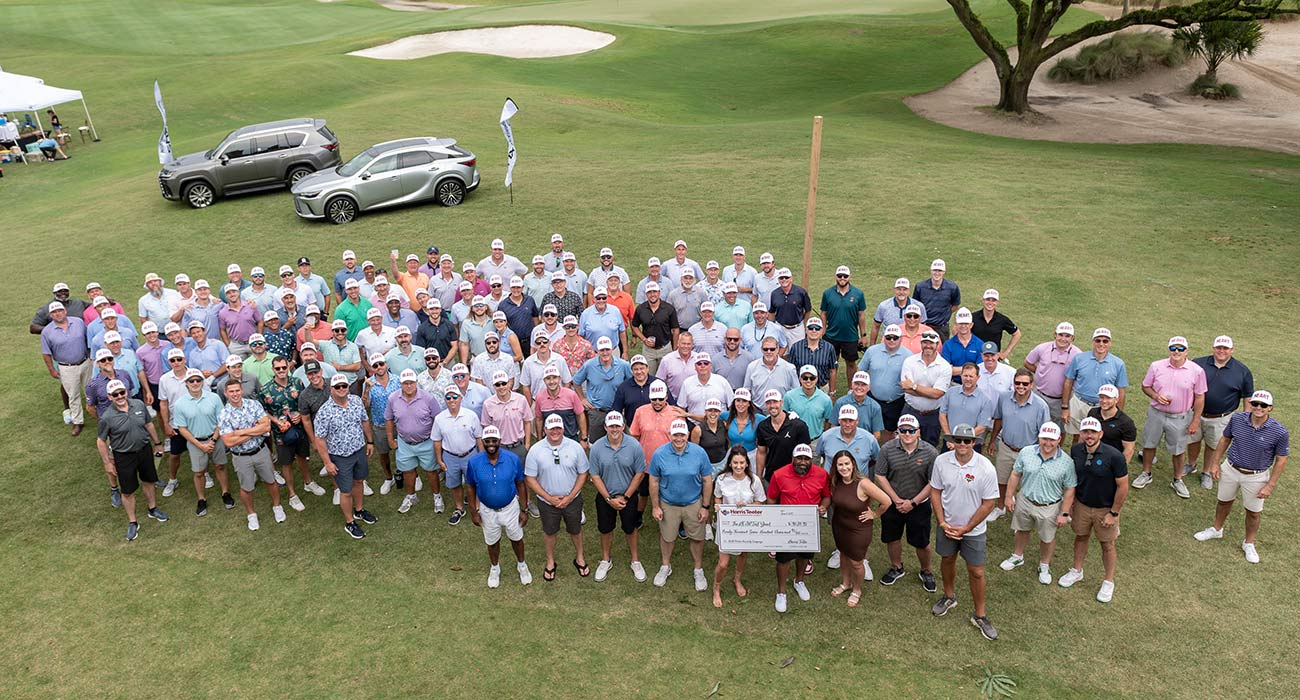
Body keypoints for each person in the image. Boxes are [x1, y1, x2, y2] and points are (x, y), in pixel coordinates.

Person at [1193, 391, 1289, 564]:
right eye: (1255, 404)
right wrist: (1215, 463)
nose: (1259, 408)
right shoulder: (1237, 419)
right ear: (1251, 404)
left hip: (1256, 476)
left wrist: (1270, 485)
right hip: (1231, 469)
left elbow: (1281, 460)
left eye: (1263, 405)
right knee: (1223, 501)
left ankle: (1249, 543)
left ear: (1270, 408)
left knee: (1253, 512)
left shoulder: (1279, 432)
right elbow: (1224, 440)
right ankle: (1216, 529)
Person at [929, 424, 999, 640]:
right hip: (947, 526)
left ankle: (980, 615)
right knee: (947, 560)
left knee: (976, 571)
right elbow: (935, 491)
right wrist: (942, 522)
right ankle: (949, 596)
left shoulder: (986, 467)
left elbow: (989, 503)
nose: (962, 444)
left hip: (974, 530)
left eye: (966, 441)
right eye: (958, 440)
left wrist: (967, 528)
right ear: (952, 441)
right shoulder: (941, 461)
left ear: (974, 443)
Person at [1059, 417, 1128, 603]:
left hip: (1105, 509)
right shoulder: (1075, 451)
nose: (1089, 436)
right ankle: (1077, 570)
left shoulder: (1114, 456)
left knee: (1107, 544)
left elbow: (1123, 486)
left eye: (1093, 432)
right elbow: (1073, 480)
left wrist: (1113, 513)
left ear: (1101, 434)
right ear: (1081, 433)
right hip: (1082, 504)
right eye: (1086, 432)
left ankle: (1108, 581)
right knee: (1081, 537)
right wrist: (1071, 505)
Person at [998, 422, 1077, 585]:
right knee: (1021, 529)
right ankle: (1017, 556)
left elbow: (1070, 489)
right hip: (1025, 500)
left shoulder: (1067, 462)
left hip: (1050, 507)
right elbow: (1015, 474)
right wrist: (1008, 496)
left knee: (1047, 538)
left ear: (1059, 439)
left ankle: (1044, 565)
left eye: (1052, 440)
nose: (1048, 443)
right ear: (1039, 438)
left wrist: (1064, 513)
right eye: (1044, 439)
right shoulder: (1026, 452)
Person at [1134, 336, 1207, 498]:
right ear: (1168, 350)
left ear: (1186, 351)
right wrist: (1155, 396)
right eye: (1173, 348)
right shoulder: (1156, 366)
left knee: (1178, 450)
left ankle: (1177, 479)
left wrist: (1195, 420)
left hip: (1180, 417)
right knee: (1148, 444)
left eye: (1180, 348)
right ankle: (1146, 473)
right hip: (1156, 413)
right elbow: (1145, 386)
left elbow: (1200, 397)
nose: (1176, 351)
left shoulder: (1197, 371)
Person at [96, 379, 168, 540]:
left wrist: (157, 443)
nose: (120, 396)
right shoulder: (107, 417)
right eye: (115, 394)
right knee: (127, 491)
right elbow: (101, 441)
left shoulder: (139, 405)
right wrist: (107, 462)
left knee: (149, 481)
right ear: (109, 397)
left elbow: (149, 425)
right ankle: (133, 521)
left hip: (144, 450)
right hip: (123, 456)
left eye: (122, 392)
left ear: (126, 392)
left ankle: (152, 509)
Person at [874, 414, 938, 591]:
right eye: (903, 430)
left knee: (922, 542)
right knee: (892, 537)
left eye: (911, 430)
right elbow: (880, 474)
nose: (907, 433)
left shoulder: (931, 452)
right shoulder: (887, 449)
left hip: (919, 504)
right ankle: (896, 567)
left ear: (918, 432)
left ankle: (926, 571)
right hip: (893, 503)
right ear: (898, 431)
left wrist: (913, 502)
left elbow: (933, 482)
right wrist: (895, 499)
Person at [465, 425, 533, 588]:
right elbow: (470, 486)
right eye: (487, 441)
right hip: (487, 510)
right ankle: (495, 568)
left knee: (516, 538)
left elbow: (521, 484)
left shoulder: (512, 459)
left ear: (499, 441)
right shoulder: (474, 462)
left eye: (494, 441)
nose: (490, 444)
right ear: (482, 441)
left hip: (510, 508)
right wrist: (474, 512)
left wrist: (524, 510)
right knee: (492, 541)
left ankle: (522, 564)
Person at [766, 443, 831, 613]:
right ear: (792, 459)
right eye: (799, 458)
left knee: (805, 555)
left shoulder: (822, 474)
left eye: (806, 459)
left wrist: (823, 507)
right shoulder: (779, 474)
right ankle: (781, 592)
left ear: (811, 460)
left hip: (809, 524)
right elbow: (771, 498)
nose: (803, 462)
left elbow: (826, 496)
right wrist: (775, 518)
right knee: (784, 559)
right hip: (786, 524)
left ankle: (799, 581)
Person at [525, 414, 590, 581]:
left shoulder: (575, 447)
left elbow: (583, 473)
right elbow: (530, 478)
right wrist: (550, 498)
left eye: (558, 428)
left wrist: (570, 497)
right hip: (547, 502)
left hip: (573, 500)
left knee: (575, 530)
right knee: (550, 532)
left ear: (563, 429)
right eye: (551, 428)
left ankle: (580, 557)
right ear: (545, 429)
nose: (555, 431)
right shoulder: (536, 450)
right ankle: (550, 561)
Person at [312, 374, 378, 538]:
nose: (341, 389)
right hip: (340, 456)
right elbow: (319, 439)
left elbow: (364, 421)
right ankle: (350, 522)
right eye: (337, 387)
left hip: (359, 450)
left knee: (359, 481)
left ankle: (359, 510)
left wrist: (370, 442)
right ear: (331, 389)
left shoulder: (356, 401)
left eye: (344, 386)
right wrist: (327, 463)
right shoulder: (324, 412)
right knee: (346, 490)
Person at [217, 379, 286, 531]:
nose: (235, 394)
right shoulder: (223, 414)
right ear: (226, 393)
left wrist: (240, 432)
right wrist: (255, 430)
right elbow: (228, 442)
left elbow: (266, 426)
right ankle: (251, 514)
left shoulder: (254, 405)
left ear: (241, 390)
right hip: (241, 456)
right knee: (246, 487)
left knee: (270, 481)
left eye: (237, 390)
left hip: (261, 451)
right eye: (231, 391)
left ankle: (277, 506)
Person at [588, 412, 648, 582]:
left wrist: (626, 497)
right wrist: (609, 499)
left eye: (617, 426)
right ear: (605, 427)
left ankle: (635, 560)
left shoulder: (634, 446)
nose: (614, 429)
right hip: (606, 497)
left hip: (628, 497)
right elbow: (595, 475)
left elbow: (639, 473)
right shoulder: (597, 447)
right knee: (605, 529)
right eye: (611, 426)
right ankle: (606, 559)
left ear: (623, 426)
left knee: (631, 528)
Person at [1188, 335, 1254, 491]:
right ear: (1213, 348)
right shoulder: (1198, 363)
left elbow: (1247, 397)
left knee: (1213, 445)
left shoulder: (1242, 371)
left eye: (1225, 348)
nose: (1221, 351)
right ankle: (1191, 464)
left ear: (1232, 350)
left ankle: (1206, 472)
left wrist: (1247, 420)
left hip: (1221, 417)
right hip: (1196, 412)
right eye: (1218, 347)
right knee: (1193, 439)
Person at [829, 450, 891, 607]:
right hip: (839, 526)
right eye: (840, 464)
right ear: (835, 467)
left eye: (847, 464)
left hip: (858, 531)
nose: (844, 468)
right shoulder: (836, 481)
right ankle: (846, 583)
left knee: (857, 562)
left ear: (853, 464)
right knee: (843, 555)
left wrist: (875, 514)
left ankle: (857, 589)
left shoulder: (863, 483)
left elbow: (887, 501)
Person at [987, 369, 1051, 521]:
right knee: (1001, 479)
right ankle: (1001, 507)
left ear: (1031, 385)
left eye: (1025, 383)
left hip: (1029, 451)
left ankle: (1021, 513)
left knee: (1026, 484)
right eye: (1017, 383)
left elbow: (1045, 433)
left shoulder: (1041, 406)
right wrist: (992, 441)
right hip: (1006, 446)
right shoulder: (1004, 398)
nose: (1021, 386)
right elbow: (998, 419)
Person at [172, 367, 235, 517]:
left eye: (198, 380)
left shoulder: (213, 398)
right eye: (191, 381)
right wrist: (200, 445)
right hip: (195, 443)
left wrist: (213, 439)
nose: (195, 383)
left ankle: (225, 492)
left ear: (202, 381)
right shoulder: (180, 404)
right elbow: (182, 428)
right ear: (186, 383)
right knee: (199, 472)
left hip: (215, 439)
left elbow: (221, 420)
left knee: (220, 466)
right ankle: (201, 499)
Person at [710, 446, 764, 607]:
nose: (738, 466)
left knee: (742, 554)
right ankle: (716, 588)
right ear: (730, 463)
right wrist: (717, 506)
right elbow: (717, 498)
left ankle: (737, 579)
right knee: (723, 563)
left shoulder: (754, 480)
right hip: (727, 526)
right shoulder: (722, 479)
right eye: (735, 463)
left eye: (742, 462)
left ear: (747, 463)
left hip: (746, 526)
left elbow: (760, 502)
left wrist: (747, 506)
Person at [1061, 328, 1128, 443]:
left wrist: (1118, 414)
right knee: (1077, 436)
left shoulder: (1118, 364)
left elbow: (1121, 391)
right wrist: (1065, 407)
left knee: (1098, 437)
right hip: (1079, 403)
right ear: (1093, 342)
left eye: (1105, 341)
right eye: (1098, 340)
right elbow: (1068, 382)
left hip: (1102, 406)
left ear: (1110, 343)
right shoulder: (1079, 359)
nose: (1101, 344)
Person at [40, 301, 91, 435]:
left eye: (60, 310)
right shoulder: (47, 332)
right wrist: (51, 369)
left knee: (91, 390)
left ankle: (97, 414)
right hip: (66, 367)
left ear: (65, 311)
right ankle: (78, 422)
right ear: (51, 315)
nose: (58, 313)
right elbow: (46, 353)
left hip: (86, 363)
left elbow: (88, 340)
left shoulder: (78, 322)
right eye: (54, 312)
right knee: (73, 395)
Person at [858, 324, 912, 441]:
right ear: (883, 337)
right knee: (869, 429)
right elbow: (860, 371)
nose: (891, 340)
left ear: (901, 339)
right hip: (872, 399)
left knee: (889, 431)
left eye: (895, 337)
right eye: (888, 337)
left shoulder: (908, 356)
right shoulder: (872, 351)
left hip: (895, 401)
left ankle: (886, 455)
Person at [573, 337, 633, 442]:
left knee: (621, 442)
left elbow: (632, 382)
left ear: (612, 349)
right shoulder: (589, 365)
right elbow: (576, 382)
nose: (605, 353)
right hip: (597, 411)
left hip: (618, 411)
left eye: (607, 349)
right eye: (602, 350)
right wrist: (582, 399)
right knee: (596, 443)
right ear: (597, 351)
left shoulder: (623, 365)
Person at [899, 330, 951, 446]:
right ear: (921, 344)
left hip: (932, 415)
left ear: (937, 345)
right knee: (905, 444)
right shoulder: (909, 361)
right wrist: (930, 392)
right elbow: (905, 388)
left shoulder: (945, 366)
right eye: (925, 342)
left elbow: (937, 394)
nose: (928, 346)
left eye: (931, 343)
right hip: (910, 410)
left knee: (930, 446)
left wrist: (914, 386)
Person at [360, 354, 400, 495]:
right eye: (375, 365)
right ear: (372, 368)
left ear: (386, 364)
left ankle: (414, 475)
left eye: (381, 364)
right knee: (384, 454)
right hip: (380, 425)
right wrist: (367, 390)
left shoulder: (397, 380)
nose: (379, 367)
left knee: (405, 452)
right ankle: (389, 478)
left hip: (399, 423)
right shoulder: (369, 383)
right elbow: (364, 406)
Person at [756, 388, 812, 482]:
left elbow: (806, 454)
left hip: (794, 477)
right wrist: (759, 477)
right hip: (772, 476)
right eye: (769, 403)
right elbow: (761, 452)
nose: (772, 406)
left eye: (775, 402)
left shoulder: (798, 425)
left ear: (781, 403)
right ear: (766, 405)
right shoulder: (763, 426)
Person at [939, 363, 994, 450]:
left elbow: (982, 427)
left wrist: (960, 441)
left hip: (971, 444)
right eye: (965, 375)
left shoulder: (985, 400)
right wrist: (950, 437)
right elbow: (942, 415)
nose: (968, 379)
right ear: (961, 376)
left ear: (978, 377)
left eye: (971, 376)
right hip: (950, 443)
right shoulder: (950, 393)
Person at [630, 280, 678, 375]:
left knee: (666, 376)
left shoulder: (669, 308)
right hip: (648, 351)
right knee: (647, 376)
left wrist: (675, 348)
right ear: (646, 294)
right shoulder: (640, 309)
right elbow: (634, 326)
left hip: (665, 348)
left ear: (659, 293)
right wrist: (643, 339)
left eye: (654, 292)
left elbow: (675, 330)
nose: (652, 295)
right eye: (649, 292)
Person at [786, 317, 838, 396]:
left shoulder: (829, 348)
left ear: (821, 331)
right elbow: (791, 370)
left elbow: (832, 371)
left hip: (822, 388)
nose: (814, 331)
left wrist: (832, 392)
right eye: (811, 328)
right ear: (806, 330)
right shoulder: (796, 347)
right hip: (800, 388)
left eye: (817, 328)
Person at [1085, 384, 1136, 463]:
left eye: (1108, 398)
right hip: (1091, 457)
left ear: (1116, 399)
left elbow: (1129, 450)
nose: (1104, 401)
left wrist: (1120, 470)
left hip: (1111, 461)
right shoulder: (1093, 413)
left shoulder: (1126, 423)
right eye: (1102, 397)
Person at [913, 259, 960, 341]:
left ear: (944, 272)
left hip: (942, 328)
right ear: (931, 271)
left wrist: (944, 314)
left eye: (940, 270)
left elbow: (955, 305)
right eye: (935, 270)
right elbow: (916, 305)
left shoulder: (952, 288)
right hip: (924, 326)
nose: (937, 273)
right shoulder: (920, 287)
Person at [970, 289, 1021, 358]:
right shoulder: (972, 317)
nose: (990, 302)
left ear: (997, 302)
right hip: (975, 356)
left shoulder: (1002, 319)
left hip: (993, 358)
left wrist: (1006, 353)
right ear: (983, 300)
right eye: (988, 299)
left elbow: (1017, 334)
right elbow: (958, 330)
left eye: (993, 300)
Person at [784, 364, 834, 434]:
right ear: (800, 379)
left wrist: (824, 434)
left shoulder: (825, 399)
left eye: (812, 378)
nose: (808, 381)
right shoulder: (789, 396)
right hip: (794, 440)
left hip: (816, 440)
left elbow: (828, 419)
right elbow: (782, 416)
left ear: (816, 379)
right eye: (805, 378)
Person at [940, 308, 982, 383]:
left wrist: (955, 369)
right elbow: (946, 370)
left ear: (971, 325)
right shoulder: (948, 345)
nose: (963, 326)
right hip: (953, 384)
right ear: (956, 324)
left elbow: (980, 369)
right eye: (961, 323)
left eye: (966, 323)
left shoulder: (980, 344)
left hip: (975, 384)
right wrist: (971, 370)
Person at [691, 398, 731, 476]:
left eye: (716, 411)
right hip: (706, 466)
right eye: (710, 410)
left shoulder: (724, 425)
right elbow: (694, 452)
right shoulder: (698, 430)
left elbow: (729, 444)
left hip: (722, 465)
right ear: (705, 412)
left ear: (719, 413)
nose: (713, 414)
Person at [655, 331, 697, 397]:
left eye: (689, 344)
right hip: (673, 401)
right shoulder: (667, 360)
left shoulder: (698, 360)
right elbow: (659, 381)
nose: (686, 346)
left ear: (692, 345)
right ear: (678, 343)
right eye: (683, 343)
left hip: (693, 400)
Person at [871, 278, 913, 345]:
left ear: (909, 291)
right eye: (898, 289)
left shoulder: (918, 306)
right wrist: (872, 346)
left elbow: (922, 328)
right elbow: (875, 327)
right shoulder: (883, 306)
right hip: (888, 344)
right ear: (894, 290)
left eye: (904, 289)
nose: (901, 292)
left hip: (909, 344)